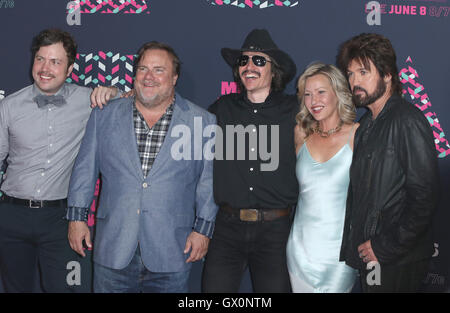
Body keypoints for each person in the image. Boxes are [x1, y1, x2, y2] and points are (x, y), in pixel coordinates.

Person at [66, 41, 218, 293]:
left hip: (172, 248)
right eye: (143, 69)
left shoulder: (202, 121)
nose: (149, 77)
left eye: (159, 70)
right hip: (113, 246)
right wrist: (76, 218)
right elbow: (84, 170)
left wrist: (203, 230)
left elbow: (208, 181)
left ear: (174, 78)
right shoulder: (104, 115)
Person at [338, 33, 440, 292]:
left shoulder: (407, 121)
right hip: (373, 254)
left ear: (387, 75)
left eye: (363, 72)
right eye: (350, 74)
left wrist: (385, 246)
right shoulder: (366, 126)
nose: (355, 82)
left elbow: (425, 197)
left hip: (394, 258)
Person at [202, 29, 299, 293]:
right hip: (227, 228)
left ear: (273, 69)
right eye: (244, 60)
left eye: (259, 60)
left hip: (275, 231)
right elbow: (181, 119)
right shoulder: (222, 108)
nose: (249, 66)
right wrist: (133, 100)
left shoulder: (295, 110)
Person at [0, 28, 96, 292]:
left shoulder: (90, 100)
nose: (45, 68)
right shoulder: (9, 106)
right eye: (40, 59)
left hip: (60, 219)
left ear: (70, 68)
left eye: (55, 61)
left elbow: (135, 99)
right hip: (11, 214)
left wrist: (111, 91)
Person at [285, 63, 358, 293]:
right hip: (300, 251)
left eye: (321, 92)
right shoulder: (301, 133)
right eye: (307, 94)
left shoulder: (358, 133)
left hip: (340, 255)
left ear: (338, 93)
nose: (313, 100)